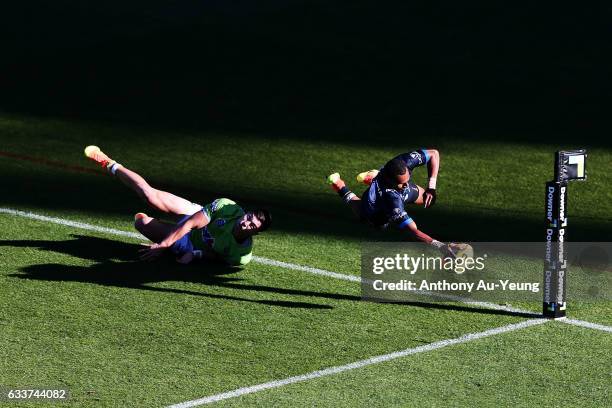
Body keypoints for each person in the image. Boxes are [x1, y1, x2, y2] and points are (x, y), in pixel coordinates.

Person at [84, 146, 271, 266]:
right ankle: (109, 163)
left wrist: (195, 254)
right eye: (248, 218)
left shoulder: (242, 256)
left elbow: (219, 258)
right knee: (150, 196)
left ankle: (159, 227)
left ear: (255, 233)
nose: (246, 224)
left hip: (190, 243)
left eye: (252, 226)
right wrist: (164, 245)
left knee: (140, 223)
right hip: (195, 216)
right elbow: (191, 223)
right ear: (245, 213)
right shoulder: (227, 207)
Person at [327, 148, 458, 256]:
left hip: (394, 188)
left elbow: (434, 154)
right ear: (391, 181)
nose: (407, 185)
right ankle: (338, 184)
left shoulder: (403, 163)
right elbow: (413, 231)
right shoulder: (391, 199)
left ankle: (373, 176)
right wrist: (441, 246)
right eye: (403, 183)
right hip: (376, 206)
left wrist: (431, 187)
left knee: (430, 199)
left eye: (408, 180)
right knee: (373, 222)